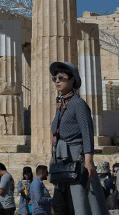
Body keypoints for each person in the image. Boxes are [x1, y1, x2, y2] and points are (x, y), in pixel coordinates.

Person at [47, 61, 108, 215]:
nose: (57, 81)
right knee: (60, 203)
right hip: (61, 158)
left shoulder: (78, 103)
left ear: (72, 79)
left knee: (79, 199)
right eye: (55, 78)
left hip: (76, 157)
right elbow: (56, 130)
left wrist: (88, 161)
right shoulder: (62, 104)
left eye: (61, 77)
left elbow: (87, 132)